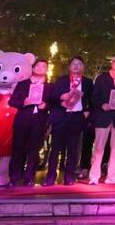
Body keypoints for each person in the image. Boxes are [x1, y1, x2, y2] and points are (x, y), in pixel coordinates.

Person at [45, 56, 92, 186]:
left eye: (79, 64)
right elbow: (52, 97)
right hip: (61, 116)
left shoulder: (87, 82)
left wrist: (87, 111)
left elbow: (92, 99)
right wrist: (61, 97)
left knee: (73, 149)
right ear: (69, 66)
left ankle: (69, 177)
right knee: (55, 149)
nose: (76, 66)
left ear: (83, 67)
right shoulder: (61, 80)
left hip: (77, 117)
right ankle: (50, 176)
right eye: (73, 63)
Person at [8, 58, 52, 186]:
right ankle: (15, 177)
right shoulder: (23, 84)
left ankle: (29, 177)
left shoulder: (49, 86)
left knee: (34, 150)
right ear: (33, 68)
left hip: (39, 121)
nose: (40, 68)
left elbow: (53, 104)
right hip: (23, 120)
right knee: (18, 148)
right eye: (38, 66)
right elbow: (12, 101)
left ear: (47, 70)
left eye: (44, 67)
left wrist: (46, 106)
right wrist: (23, 102)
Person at [88, 54, 115, 185]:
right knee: (99, 147)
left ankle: (112, 176)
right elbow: (94, 96)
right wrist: (102, 104)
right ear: (112, 62)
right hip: (103, 116)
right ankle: (94, 176)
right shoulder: (102, 78)